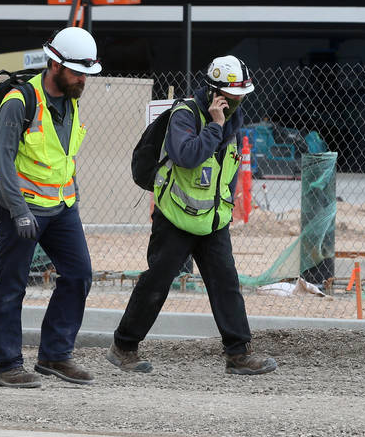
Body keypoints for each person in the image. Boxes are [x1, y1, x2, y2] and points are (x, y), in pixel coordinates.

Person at [107, 55, 277, 376]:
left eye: (243, 92)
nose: (242, 99)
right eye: (236, 93)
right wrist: (214, 126)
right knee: (156, 283)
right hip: (174, 218)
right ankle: (124, 347)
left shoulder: (233, 119)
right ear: (217, 93)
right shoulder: (185, 115)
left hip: (212, 220)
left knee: (226, 284)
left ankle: (238, 354)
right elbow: (186, 156)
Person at [0, 26, 100, 388]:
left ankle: (55, 355)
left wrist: (74, 198)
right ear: (54, 65)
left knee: (79, 274)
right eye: (77, 71)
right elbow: (3, 161)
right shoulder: (19, 101)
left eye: (86, 72)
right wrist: (18, 209)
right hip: (22, 207)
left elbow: (62, 156)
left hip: (62, 206)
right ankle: (7, 365)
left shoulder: (72, 99)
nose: (83, 79)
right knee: (12, 285)